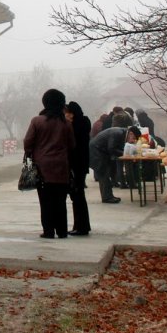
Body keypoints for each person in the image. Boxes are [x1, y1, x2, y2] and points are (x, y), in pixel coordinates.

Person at [24, 89, 75, 239]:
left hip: (42, 167)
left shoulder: (37, 121)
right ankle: (62, 230)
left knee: (45, 201)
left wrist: (33, 154)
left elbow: (28, 142)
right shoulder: (66, 123)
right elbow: (72, 144)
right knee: (60, 200)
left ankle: (48, 231)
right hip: (61, 167)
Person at [90, 125, 139, 203]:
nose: (132, 141)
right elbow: (112, 148)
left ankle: (108, 196)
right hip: (95, 153)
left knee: (105, 174)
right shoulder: (118, 133)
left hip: (99, 152)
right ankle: (107, 197)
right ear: (131, 133)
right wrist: (124, 154)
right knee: (104, 174)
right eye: (133, 139)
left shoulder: (121, 133)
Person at [65, 101, 92, 235]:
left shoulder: (75, 127)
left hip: (76, 164)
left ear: (72, 113)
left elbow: (72, 147)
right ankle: (82, 225)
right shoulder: (84, 123)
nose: (66, 116)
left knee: (77, 196)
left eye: (67, 114)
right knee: (79, 196)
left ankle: (80, 227)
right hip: (82, 165)